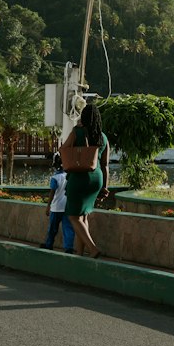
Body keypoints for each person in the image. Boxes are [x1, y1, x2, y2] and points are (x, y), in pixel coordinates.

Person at [60, 101, 110, 258]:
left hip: (79, 177)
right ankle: (80, 254)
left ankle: (93, 248)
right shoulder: (103, 137)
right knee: (83, 215)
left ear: (83, 117)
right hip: (97, 179)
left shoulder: (77, 132)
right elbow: (105, 165)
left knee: (73, 216)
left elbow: (63, 149)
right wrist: (105, 187)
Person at [42, 153, 74, 252]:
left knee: (52, 228)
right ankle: (69, 248)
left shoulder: (55, 178)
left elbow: (52, 192)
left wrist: (48, 206)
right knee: (68, 228)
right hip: (68, 207)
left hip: (56, 207)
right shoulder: (70, 176)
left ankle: (49, 244)